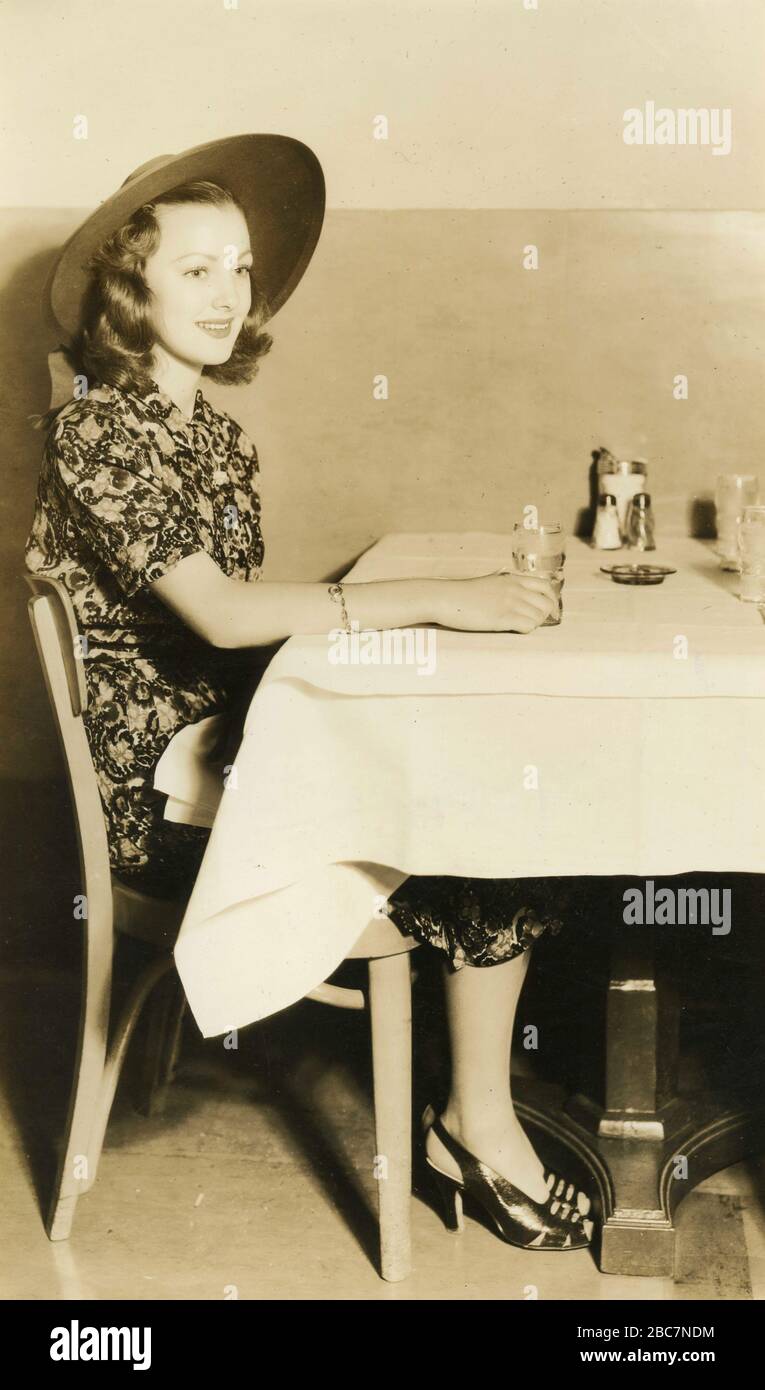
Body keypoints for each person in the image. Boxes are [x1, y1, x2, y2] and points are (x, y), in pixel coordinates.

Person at [25, 136, 592, 1252]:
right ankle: (474, 1124)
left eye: (240, 269)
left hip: (231, 750)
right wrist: (435, 598)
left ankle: (473, 1107)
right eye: (196, 270)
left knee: (491, 791)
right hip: (162, 804)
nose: (231, 295)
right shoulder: (95, 432)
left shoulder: (214, 437)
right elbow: (229, 618)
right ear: (128, 289)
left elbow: (253, 624)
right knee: (486, 835)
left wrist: (423, 612)